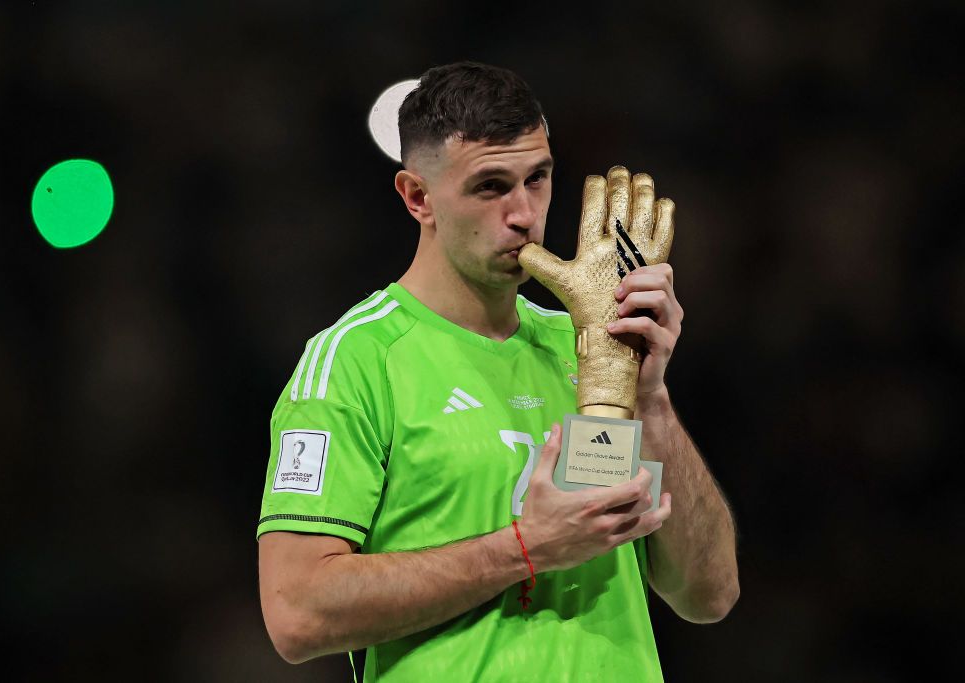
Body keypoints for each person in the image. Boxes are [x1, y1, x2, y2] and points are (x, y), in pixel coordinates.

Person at [257, 61, 739, 682]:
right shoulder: (356, 361)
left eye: (537, 179)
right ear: (417, 197)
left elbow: (708, 596)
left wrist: (650, 398)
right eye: (490, 187)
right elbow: (297, 615)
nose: (524, 214)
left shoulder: (589, 349)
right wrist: (525, 548)